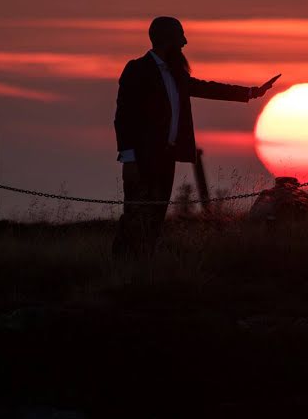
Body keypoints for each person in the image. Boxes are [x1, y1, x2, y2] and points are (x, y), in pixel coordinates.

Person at [113, 16, 280, 258]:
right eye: (180, 36)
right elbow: (124, 117)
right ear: (166, 39)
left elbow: (207, 88)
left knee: (155, 220)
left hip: (165, 159)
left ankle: (145, 269)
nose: (184, 42)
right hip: (142, 160)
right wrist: (129, 159)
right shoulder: (137, 70)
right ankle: (121, 269)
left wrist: (252, 92)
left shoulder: (176, 74)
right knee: (135, 217)